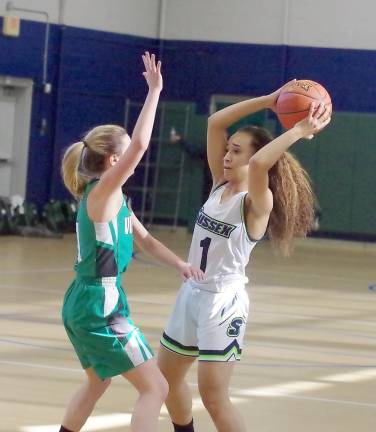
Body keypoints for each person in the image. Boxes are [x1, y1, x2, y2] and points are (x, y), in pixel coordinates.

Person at [157, 81, 331, 432]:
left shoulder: (256, 203)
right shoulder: (219, 185)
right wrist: (270, 100)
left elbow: (261, 165)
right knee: (165, 381)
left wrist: (298, 130)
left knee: (213, 396)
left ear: (251, 158)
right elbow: (215, 122)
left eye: (236, 151)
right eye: (229, 150)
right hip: (191, 293)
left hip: (224, 301)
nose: (226, 155)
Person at [59, 52, 203, 432]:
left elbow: (146, 240)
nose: (135, 159)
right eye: (124, 155)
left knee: (97, 381)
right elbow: (140, 144)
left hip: (84, 301)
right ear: (111, 161)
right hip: (98, 303)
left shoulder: (115, 200)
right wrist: (154, 91)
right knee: (155, 386)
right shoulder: (102, 193)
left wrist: (181, 266)